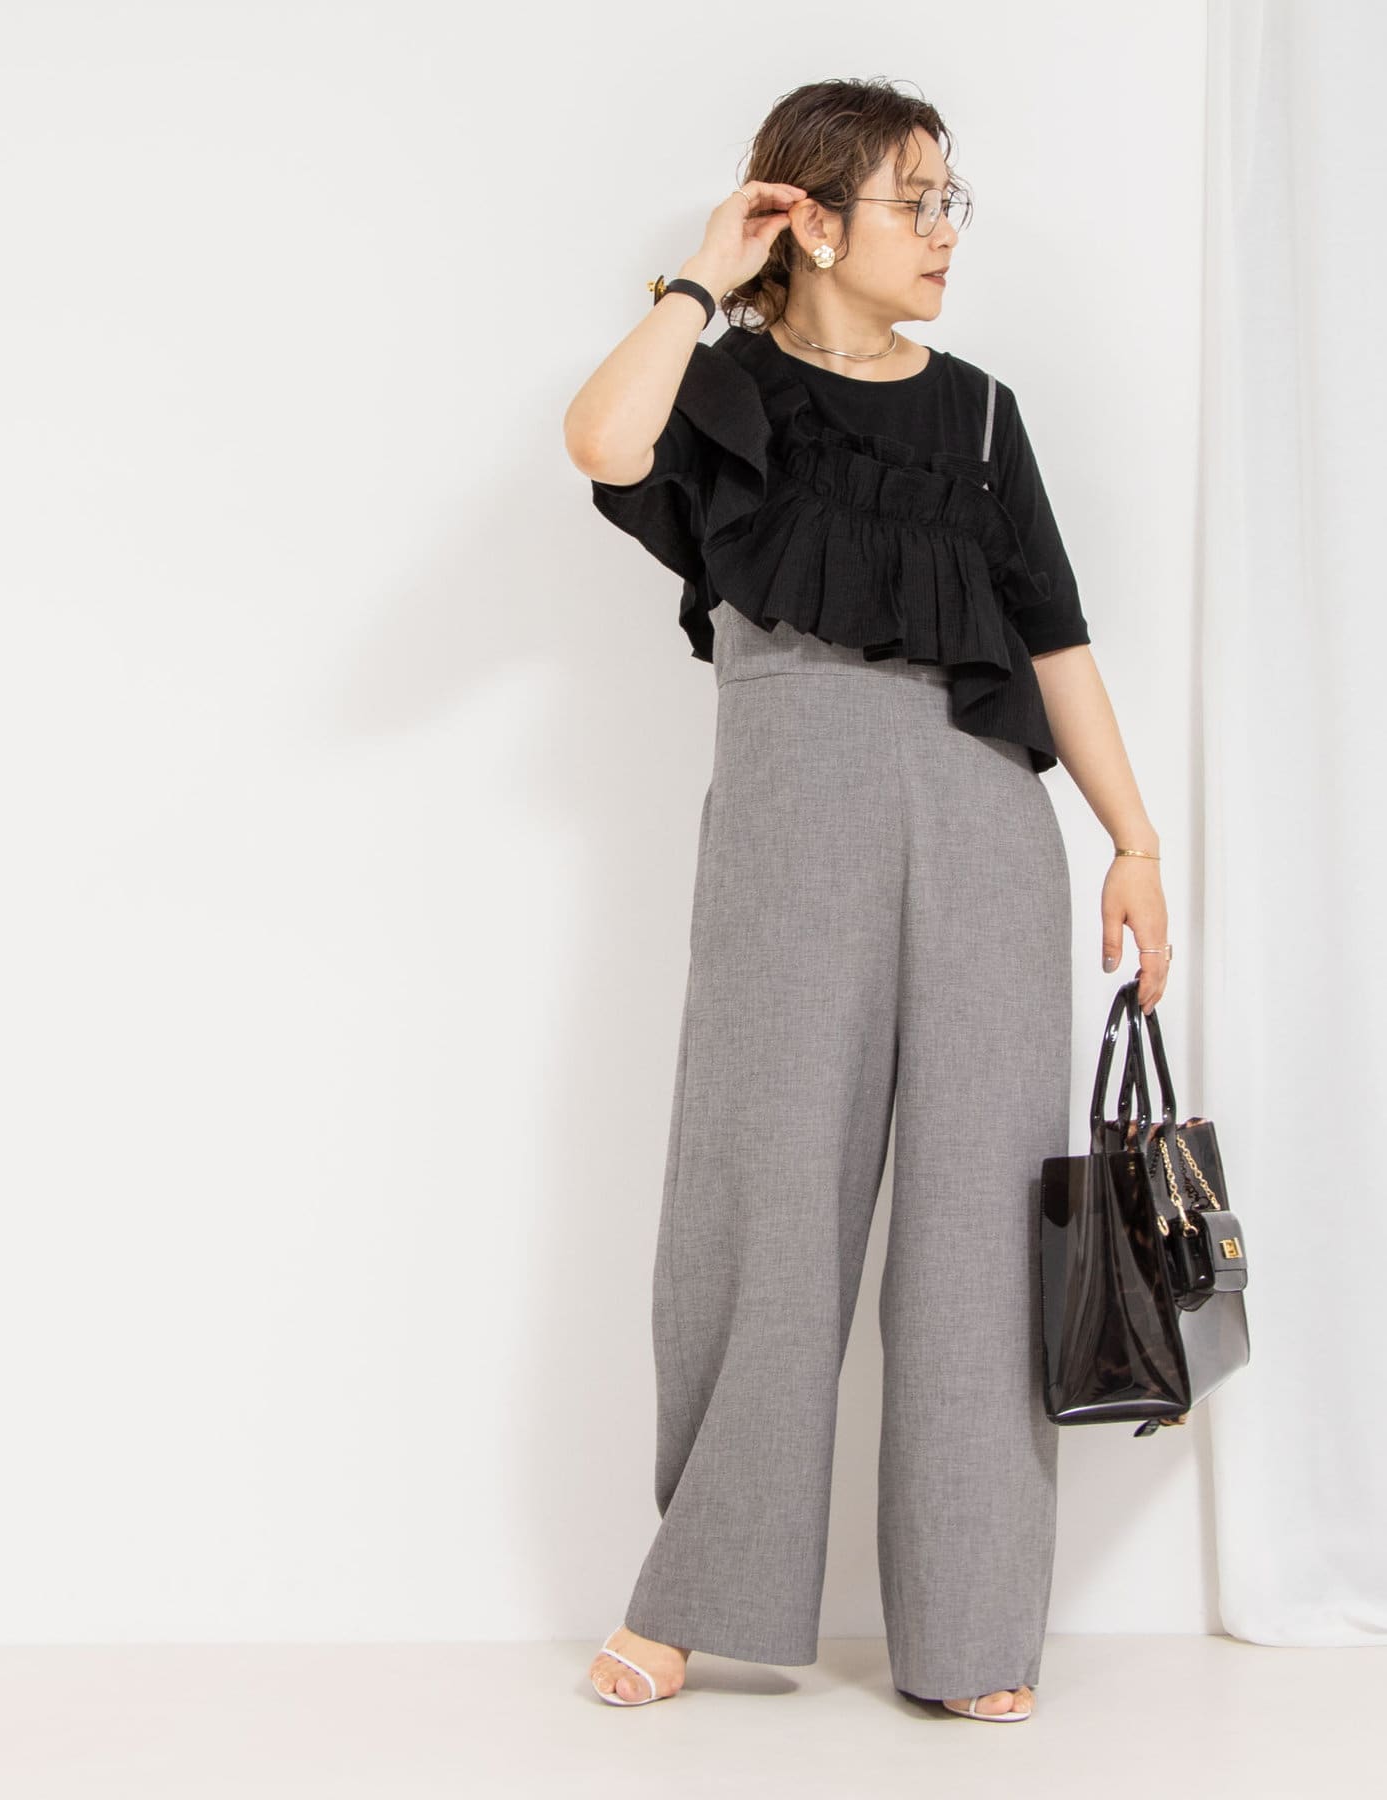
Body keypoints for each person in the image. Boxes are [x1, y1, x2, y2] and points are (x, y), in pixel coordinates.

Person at [562, 77, 1172, 1725]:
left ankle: (972, 1632)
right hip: (793, 820)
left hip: (985, 821)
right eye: (920, 201)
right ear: (815, 222)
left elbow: (1056, 640)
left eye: (954, 200)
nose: (948, 233)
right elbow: (601, 445)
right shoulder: (729, 387)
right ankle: (696, 1595)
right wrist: (703, 277)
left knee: (980, 1225)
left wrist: (1135, 842)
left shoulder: (980, 418)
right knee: (761, 1201)